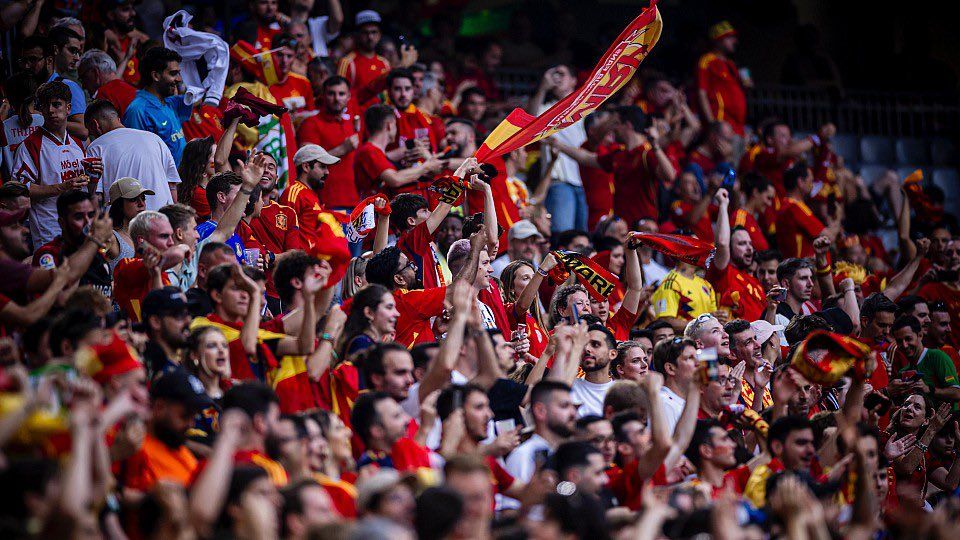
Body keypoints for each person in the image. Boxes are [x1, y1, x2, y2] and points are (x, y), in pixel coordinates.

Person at [11, 81, 90, 249]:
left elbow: (87, 191)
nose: (51, 110)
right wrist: (61, 187)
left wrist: (95, 177)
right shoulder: (31, 145)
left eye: (56, 104)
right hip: (49, 231)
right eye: (46, 106)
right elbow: (19, 190)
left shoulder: (77, 144)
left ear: (68, 108)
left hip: (80, 229)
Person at [121, 369, 213, 493]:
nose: (191, 424)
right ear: (159, 407)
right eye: (185, 416)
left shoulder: (178, 446)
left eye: (194, 417)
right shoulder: (134, 448)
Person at [84, 100, 180, 209]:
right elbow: (172, 185)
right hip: (163, 219)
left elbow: (97, 196)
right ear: (118, 119)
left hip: (125, 223)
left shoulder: (95, 147)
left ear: (95, 124)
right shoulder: (154, 139)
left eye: (91, 132)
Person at [501, 380, 577, 510]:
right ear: (540, 411)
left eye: (573, 407)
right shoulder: (523, 456)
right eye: (564, 406)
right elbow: (509, 514)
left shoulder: (571, 453)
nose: (573, 413)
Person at [31, 190, 113, 299]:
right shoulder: (48, 254)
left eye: (91, 215)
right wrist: (95, 240)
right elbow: (58, 299)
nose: (88, 223)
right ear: (62, 223)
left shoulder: (97, 252)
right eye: (79, 217)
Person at [296, 75, 361, 210]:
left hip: (354, 201)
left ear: (349, 96)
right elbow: (306, 162)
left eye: (341, 94)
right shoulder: (311, 123)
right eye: (331, 93)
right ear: (323, 95)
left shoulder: (350, 123)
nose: (337, 98)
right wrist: (342, 149)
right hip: (324, 202)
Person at [113, 210, 190, 321]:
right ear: (142, 240)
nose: (171, 243)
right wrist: (183, 247)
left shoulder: (161, 273)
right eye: (164, 236)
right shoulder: (125, 266)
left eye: (171, 236)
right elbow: (176, 254)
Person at [354, 104, 442, 199]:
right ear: (389, 125)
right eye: (395, 125)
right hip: (371, 210)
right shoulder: (370, 151)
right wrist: (426, 167)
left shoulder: (375, 152)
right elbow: (395, 179)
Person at [123, 47, 193, 165]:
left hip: (181, 181)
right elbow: (136, 158)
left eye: (179, 73)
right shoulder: (138, 110)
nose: (179, 79)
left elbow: (198, 97)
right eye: (173, 73)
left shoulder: (171, 102)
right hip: (159, 182)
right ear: (156, 76)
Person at [711, 188, 767, 321]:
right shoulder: (723, 273)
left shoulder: (756, 283)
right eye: (741, 244)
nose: (749, 248)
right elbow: (722, 243)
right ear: (730, 249)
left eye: (750, 243)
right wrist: (723, 205)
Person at [744, 415, 817, 507]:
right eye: (801, 443)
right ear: (777, 447)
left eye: (812, 443)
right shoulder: (761, 480)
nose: (811, 450)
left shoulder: (808, 472)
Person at [775, 161, 839, 259]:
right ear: (800, 182)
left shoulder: (784, 205)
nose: (812, 185)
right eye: (810, 180)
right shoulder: (795, 207)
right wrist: (838, 217)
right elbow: (829, 237)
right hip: (803, 269)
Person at [889, 315, 960, 402]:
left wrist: (929, 389)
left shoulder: (937, 357)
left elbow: (957, 393)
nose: (904, 345)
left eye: (908, 339)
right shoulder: (903, 372)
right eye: (899, 341)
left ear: (920, 335)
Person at [696, 21, 748, 137]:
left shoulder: (732, 64)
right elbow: (702, 92)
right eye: (729, 37)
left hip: (738, 125)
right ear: (718, 40)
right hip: (721, 121)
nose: (735, 41)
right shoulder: (707, 60)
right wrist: (711, 123)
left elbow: (747, 86)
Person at [44, 27, 88, 139]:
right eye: (72, 51)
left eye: (78, 52)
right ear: (55, 49)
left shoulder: (70, 86)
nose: (77, 58)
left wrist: (42, 120)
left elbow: (83, 130)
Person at [141, 286, 193, 378]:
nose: (188, 320)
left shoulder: (186, 364)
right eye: (179, 315)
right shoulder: (146, 370)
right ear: (156, 322)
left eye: (188, 313)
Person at [337, 10, 389, 97]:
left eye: (374, 32)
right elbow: (340, 94)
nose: (370, 37)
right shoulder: (347, 62)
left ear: (379, 35)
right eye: (365, 32)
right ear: (357, 35)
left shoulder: (384, 63)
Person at [570, 324, 618, 417]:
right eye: (583, 345)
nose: (587, 349)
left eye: (595, 344)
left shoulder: (621, 392)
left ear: (612, 354)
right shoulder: (569, 386)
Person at [725, 319, 773, 411]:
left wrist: (760, 388)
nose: (758, 345)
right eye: (748, 342)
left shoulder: (764, 381)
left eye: (755, 338)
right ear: (732, 354)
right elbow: (750, 424)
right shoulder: (730, 388)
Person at [653, 337, 699, 432]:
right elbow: (668, 446)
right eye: (689, 358)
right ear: (670, 368)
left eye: (697, 357)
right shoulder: (664, 404)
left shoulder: (684, 401)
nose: (698, 362)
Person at [78, 49, 137, 117]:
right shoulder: (135, 91)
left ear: (95, 72)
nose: (83, 86)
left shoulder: (103, 95)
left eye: (83, 77)